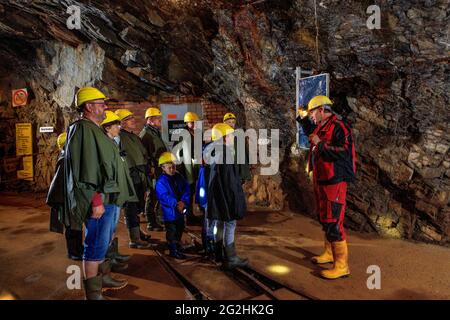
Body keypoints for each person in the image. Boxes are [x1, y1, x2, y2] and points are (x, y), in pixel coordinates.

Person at [64, 87, 135, 299]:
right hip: (99, 198)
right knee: (94, 245)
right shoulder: (82, 129)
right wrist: (96, 200)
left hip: (109, 196)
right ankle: (93, 295)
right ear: (88, 106)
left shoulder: (95, 130)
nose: (105, 106)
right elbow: (86, 168)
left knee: (102, 243)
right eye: (101, 103)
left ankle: (103, 277)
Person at [306, 95, 356, 280]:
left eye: (312, 112)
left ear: (321, 110)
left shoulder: (339, 127)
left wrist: (320, 144)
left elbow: (344, 152)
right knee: (325, 218)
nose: (311, 116)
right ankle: (329, 253)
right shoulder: (322, 126)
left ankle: (342, 266)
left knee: (334, 221)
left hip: (334, 182)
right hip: (322, 180)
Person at [206, 123, 248, 270]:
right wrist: (235, 202)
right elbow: (230, 183)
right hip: (226, 198)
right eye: (230, 136)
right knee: (230, 225)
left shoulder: (214, 152)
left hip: (217, 198)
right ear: (223, 138)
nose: (232, 138)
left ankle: (218, 254)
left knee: (219, 224)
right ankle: (231, 258)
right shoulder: (226, 154)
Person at [100, 111, 136, 272]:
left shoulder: (113, 143)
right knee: (105, 230)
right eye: (117, 124)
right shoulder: (105, 146)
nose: (119, 127)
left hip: (116, 194)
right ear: (107, 127)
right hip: (109, 195)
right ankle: (107, 262)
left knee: (112, 228)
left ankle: (113, 255)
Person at [114, 109, 153, 249]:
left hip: (139, 176)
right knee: (130, 207)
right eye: (129, 118)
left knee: (136, 207)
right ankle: (134, 239)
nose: (133, 120)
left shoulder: (132, 136)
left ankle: (138, 233)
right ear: (122, 123)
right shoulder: (119, 137)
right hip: (130, 176)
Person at [47, 132, 84, 261]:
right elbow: (59, 183)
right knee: (71, 226)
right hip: (65, 200)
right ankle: (73, 251)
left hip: (70, 198)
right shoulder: (64, 160)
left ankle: (78, 249)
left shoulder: (68, 157)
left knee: (76, 225)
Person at [155, 152, 190, 260]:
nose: (172, 169)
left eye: (173, 166)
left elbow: (186, 189)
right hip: (169, 213)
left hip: (179, 211)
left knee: (180, 229)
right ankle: (173, 250)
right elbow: (163, 196)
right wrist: (176, 203)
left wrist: (184, 201)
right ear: (163, 168)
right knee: (171, 232)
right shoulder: (161, 182)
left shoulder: (179, 177)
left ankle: (177, 246)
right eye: (169, 167)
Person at [139, 107, 167, 232]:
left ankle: (156, 218)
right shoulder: (146, 134)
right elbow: (144, 154)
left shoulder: (154, 132)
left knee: (157, 193)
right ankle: (151, 222)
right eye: (158, 118)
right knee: (152, 194)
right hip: (153, 170)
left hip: (159, 168)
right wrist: (150, 168)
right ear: (150, 120)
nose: (160, 120)